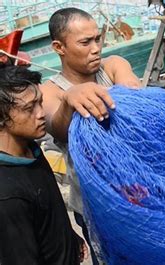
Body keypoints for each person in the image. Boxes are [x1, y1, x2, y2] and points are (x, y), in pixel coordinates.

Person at [40, 7, 140, 264]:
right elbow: (56, 126)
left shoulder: (113, 67)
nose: (96, 48)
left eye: (97, 39)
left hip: (138, 196)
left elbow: (131, 92)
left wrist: (129, 93)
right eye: (85, 42)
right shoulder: (51, 91)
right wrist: (69, 101)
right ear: (59, 47)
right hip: (93, 207)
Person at [0, 65, 87, 264]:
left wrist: (68, 238)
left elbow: (46, 211)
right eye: (29, 108)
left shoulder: (31, 149)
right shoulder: (7, 196)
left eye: (40, 102)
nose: (41, 114)